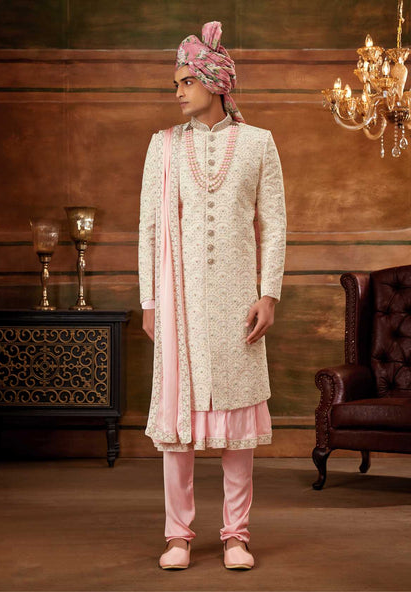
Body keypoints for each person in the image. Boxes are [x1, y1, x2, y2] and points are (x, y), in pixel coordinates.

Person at [138, 20, 286, 570]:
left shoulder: (258, 144)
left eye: (186, 82)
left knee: (237, 426)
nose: (178, 92)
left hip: (237, 301)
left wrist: (268, 294)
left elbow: (274, 225)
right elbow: (149, 229)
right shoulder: (163, 146)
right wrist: (151, 301)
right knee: (177, 422)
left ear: (215, 82)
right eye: (176, 83)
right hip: (179, 302)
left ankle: (235, 536)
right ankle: (177, 535)